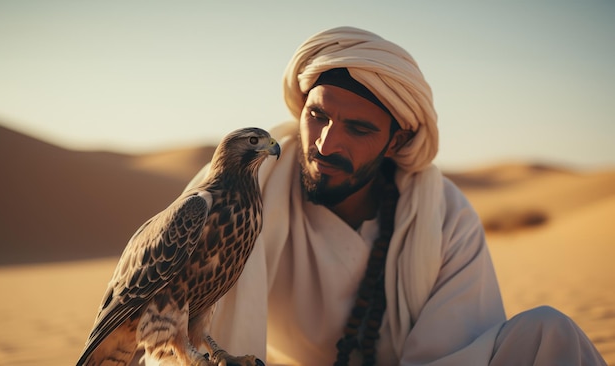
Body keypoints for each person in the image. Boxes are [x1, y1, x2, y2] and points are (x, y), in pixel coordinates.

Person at [185, 26, 606, 365]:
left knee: (548, 333)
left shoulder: (444, 216)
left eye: (360, 128)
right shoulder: (237, 187)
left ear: (395, 140)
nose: (327, 145)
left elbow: (458, 351)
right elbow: (169, 322)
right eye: (317, 116)